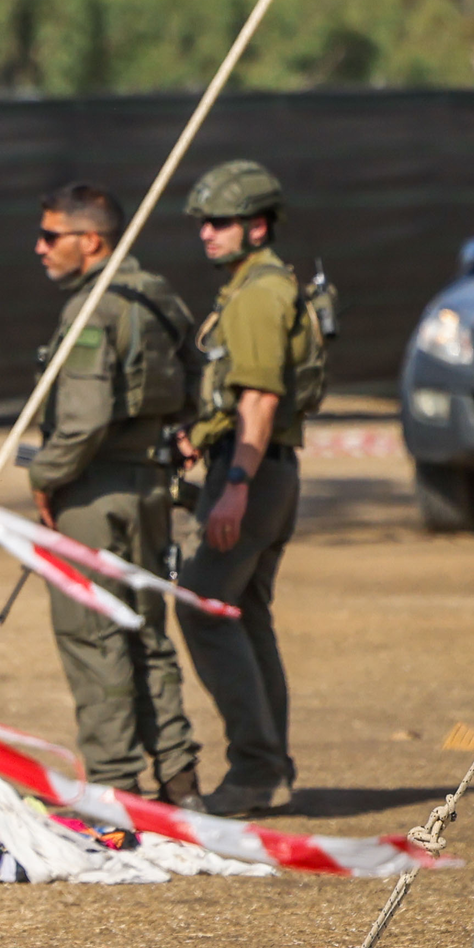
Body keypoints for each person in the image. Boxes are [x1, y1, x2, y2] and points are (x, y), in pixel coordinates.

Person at [19, 183, 204, 803]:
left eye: (51, 236)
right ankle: (180, 781)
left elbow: (84, 418)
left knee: (93, 635)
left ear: (90, 241)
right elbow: (197, 380)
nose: (39, 248)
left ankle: (116, 793)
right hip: (150, 485)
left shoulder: (91, 309)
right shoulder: (157, 298)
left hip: (94, 491)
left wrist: (46, 475)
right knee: (148, 632)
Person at [175, 157, 332, 815]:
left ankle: (254, 769)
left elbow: (261, 399)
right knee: (244, 614)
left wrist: (235, 482)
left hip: (254, 474)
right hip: (259, 469)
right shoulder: (255, 287)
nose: (206, 233)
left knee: (202, 608)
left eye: (220, 223)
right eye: (205, 223)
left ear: (257, 226)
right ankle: (271, 767)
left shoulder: (261, 294)